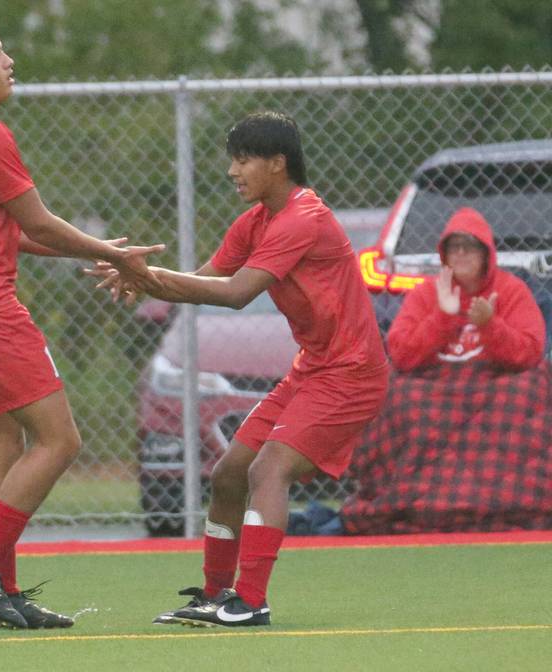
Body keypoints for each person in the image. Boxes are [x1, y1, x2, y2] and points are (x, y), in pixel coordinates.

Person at [91, 111, 389, 627]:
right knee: (229, 473)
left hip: (352, 374)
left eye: (244, 159)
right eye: (233, 158)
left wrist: (147, 274)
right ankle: (214, 595)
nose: (233, 170)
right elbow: (203, 278)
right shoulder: (256, 220)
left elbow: (233, 294)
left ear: (278, 164)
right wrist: (139, 276)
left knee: (266, 470)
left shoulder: (302, 217)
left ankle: (251, 601)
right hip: (313, 369)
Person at [0, 14, 163, 630]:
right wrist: (111, 254)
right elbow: (40, 223)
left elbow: (7, 230)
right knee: (61, 441)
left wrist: (97, 248)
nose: (9, 62)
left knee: (3, 443)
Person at [387, 207, 546, 371]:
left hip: (494, 380)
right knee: (395, 388)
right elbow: (400, 355)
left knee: (533, 384)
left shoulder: (510, 289)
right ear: (444, 254)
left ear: (486, 254)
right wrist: (442, 316)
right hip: (437, 382)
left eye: (470, 246)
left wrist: (489, 325)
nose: (461, 252)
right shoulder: (426, 292)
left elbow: (531, 354)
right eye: (454, 246)